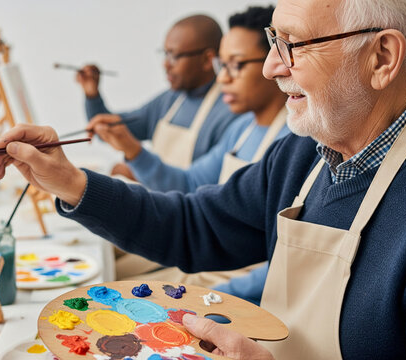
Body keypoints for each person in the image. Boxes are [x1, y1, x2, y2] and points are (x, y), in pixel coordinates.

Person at [0, 0, 406, 358]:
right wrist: (72, 182)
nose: (271, 67)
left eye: (291, 45)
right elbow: (195, 225)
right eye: (273, 41)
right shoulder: (305, 154)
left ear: (381, 58)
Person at [88, 6, 288, 304]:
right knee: (105, 280)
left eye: (236, 65)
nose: (222, 80)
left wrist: (212, 298)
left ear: (276, 62)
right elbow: (189, 185)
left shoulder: (293, 143)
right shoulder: (241, 129)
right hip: (209, 257)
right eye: (224, 66)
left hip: (236, 282)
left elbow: (284, 262)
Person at [76, 15, 240, 176]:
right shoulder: (170, 101)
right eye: (165, 54)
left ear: (207, 59)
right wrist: (93, 95)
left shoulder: (230, 113)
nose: (166, 64)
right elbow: (114, 130)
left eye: (174, 56)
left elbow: (201, 185)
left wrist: (138, 169)